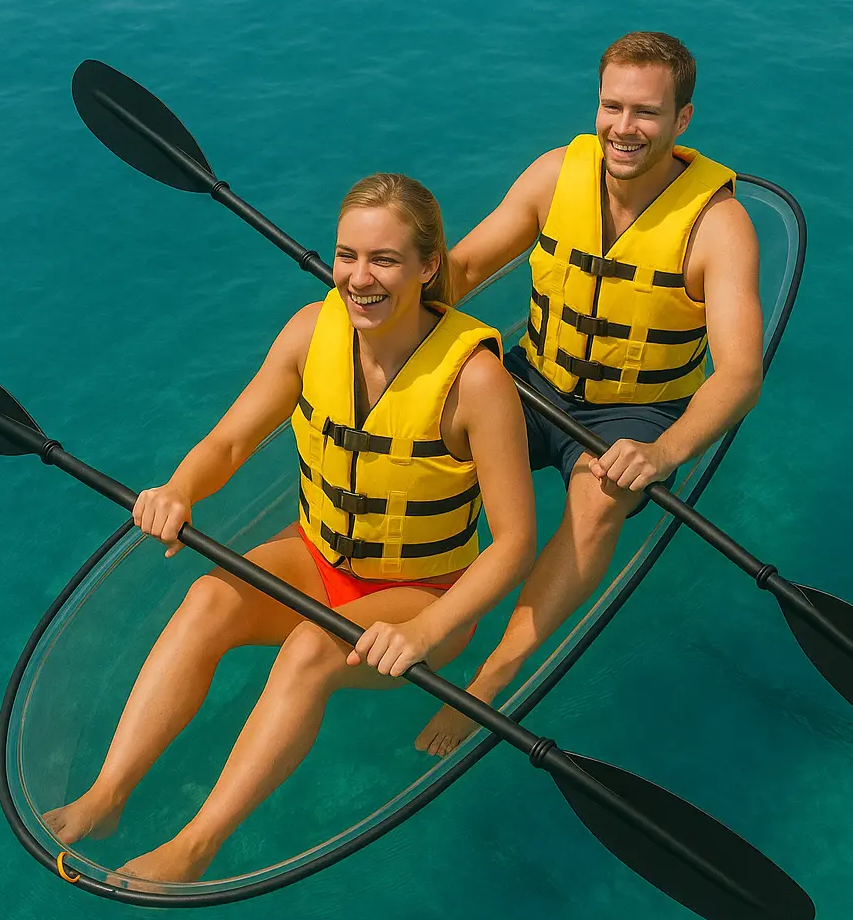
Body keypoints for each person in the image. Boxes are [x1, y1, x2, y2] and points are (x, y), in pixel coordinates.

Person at [43, 174, 536, 883]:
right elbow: (229, 445)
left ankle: (197, 844)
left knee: (309, 650)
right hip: (317, 555)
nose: (359, 278)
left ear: (429, 266)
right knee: (208, 599)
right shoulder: (311, 333)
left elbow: (515, 541)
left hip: (423, 595)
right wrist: (178, 489)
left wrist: (426, 634)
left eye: (384, 260)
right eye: (348, 256)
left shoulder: (477, 381)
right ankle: (107, 794)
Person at [416, 31, 763, 757]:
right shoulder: (554, 174)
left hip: (636, 409)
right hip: (537, 374)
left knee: (598, 495)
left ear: (682, 121)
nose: (624, 127)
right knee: (427, 415)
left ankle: (495, 672)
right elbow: (469, 262)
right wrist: (389, 286)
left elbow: (739, 373)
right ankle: (419, 593)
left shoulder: (719, 226)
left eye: (645, 111)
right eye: (612, 106)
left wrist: (663, 451)